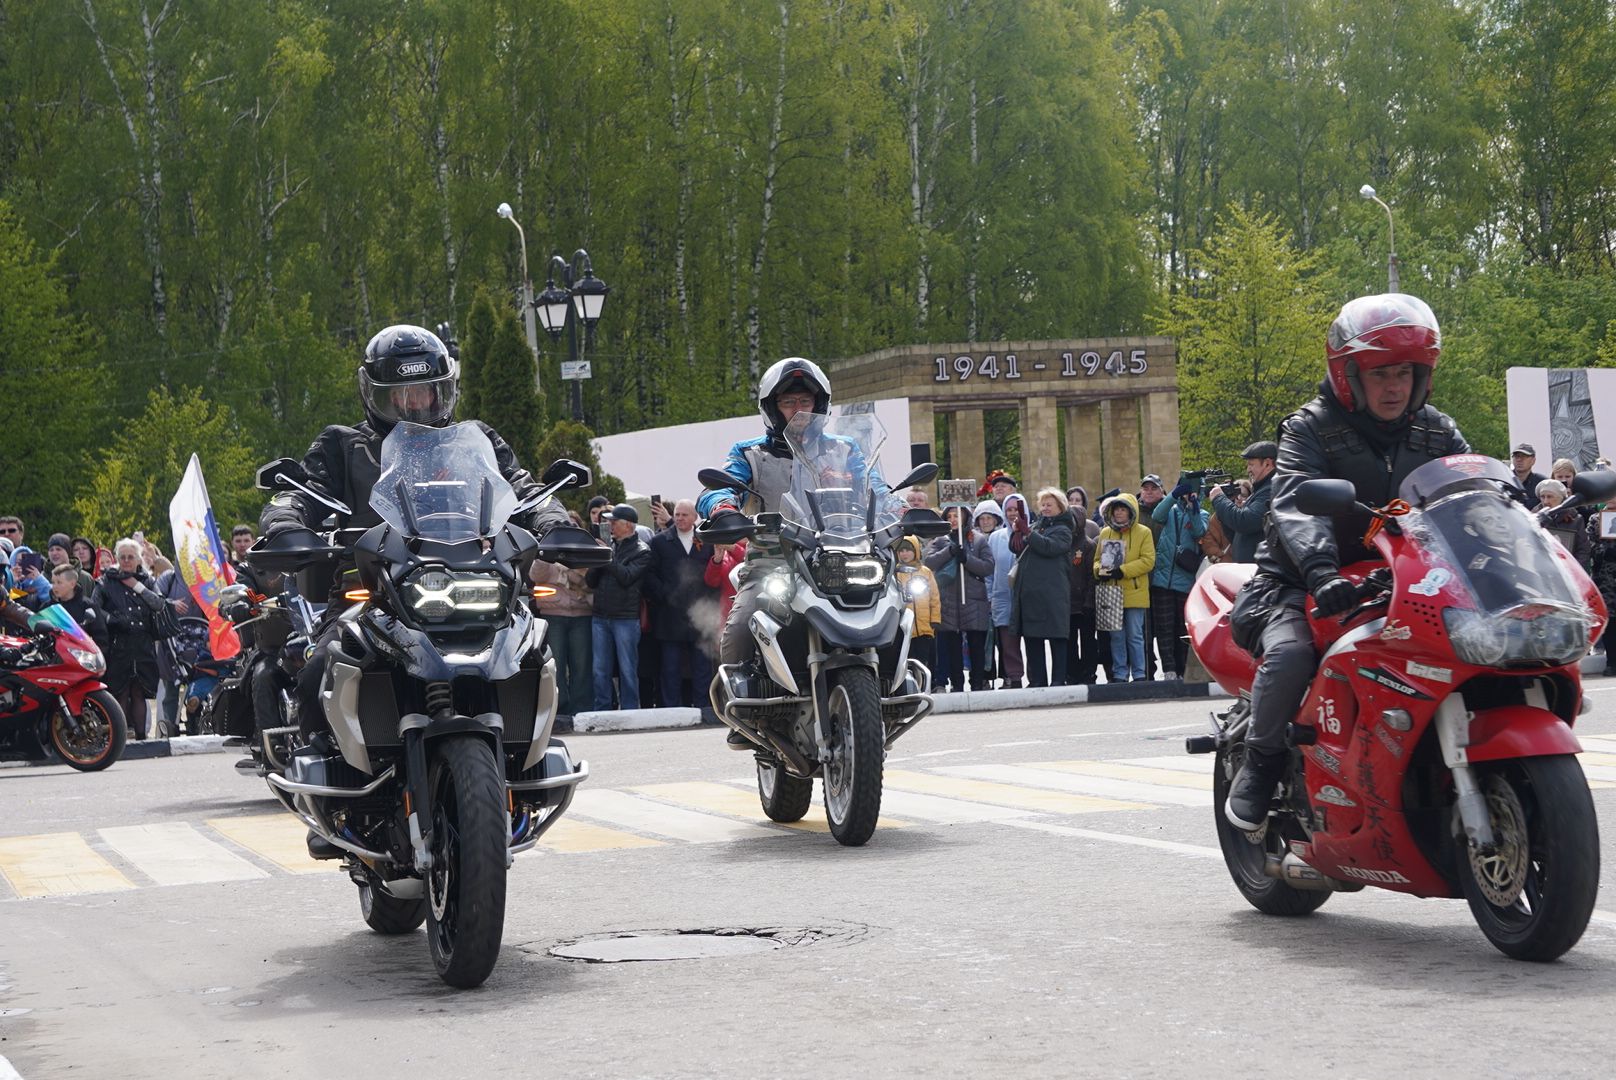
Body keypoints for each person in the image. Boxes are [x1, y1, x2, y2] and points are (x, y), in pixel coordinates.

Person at [1224, 292, 1470, 832]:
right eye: (1380, 373)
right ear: (1348, 375)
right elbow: (1294, 504)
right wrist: (1322, 571)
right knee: (1290, 655)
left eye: (1405, 372)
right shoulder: (1308, 429)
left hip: (1407, 577)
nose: (1394, 386)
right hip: (1299, 577)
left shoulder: (1438, 430)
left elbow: (1473, 497)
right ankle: (1260, 764)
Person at [259, 324, 568, 747]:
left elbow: (523, 488)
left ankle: (527, 752)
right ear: (374, 395)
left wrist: (555, 520)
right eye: (401, 395)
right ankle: (327, 771)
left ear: (445, 391)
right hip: (370, 594)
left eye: (427, 391)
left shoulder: (474, 443)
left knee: (532, 652)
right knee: (318, 673)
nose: (416, 404)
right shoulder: (343, 445)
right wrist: (287, 526)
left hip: (471, 584)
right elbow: (299, 495)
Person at [697, 358, 889, 741]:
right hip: (774, 557)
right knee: (740, 625)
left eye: (804, 400)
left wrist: (899, 511)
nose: (798, 410)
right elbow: (719, 487)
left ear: (820, 405)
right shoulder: (750, 452)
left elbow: (877, 489)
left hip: (839, 554)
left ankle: (892, 684)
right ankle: (744, 707)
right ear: (772, 408)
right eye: (788, 402)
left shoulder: (843, 449)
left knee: (894, 603)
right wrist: (722, 508)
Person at [92, 538, 172, 741]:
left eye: (131, 557)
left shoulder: (147, 580)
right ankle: (119, 738)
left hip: (142, 643)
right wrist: (112, 619)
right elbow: (94, 608)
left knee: (139, 692)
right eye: (123, 557)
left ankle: (141, 736)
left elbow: (159, 605)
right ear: (117, 559)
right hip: (118, 643)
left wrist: (136, 586)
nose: (126, 561)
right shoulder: (105, 580)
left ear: (138, 559)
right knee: (120, 691)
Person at [643, 499, 717, 711]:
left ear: (695, 517)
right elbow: (650, 574)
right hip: (670, 615)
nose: (680, 518)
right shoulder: (659, 542)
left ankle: (703, 706)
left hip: (701, 614)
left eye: (685, 515)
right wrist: (664, 594)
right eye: (677, 514)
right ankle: (671, 708)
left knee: (702, 666)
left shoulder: (707, 541)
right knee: (670, 666)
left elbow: (715, 572)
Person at [586, 504, 651, 711]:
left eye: (614, 522)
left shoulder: (642, 551)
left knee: (627, 669)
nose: (610, 525)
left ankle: (631, 709)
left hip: (625, 618)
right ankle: (602, 708)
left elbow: (626, 577)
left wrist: (606, 555)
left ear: (629, 525)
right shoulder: (609, 546)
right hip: (600, 616)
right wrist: (598, 556)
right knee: (599, 669)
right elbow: (590, 581)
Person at [925, 504, 995, 692]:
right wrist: (949, 552)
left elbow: (988, 567)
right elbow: (928, 562)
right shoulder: (940, 541)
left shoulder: (978, 540)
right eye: (950, 516)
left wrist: (967, 559)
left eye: (957, 515)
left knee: (976, 644)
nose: (953, 519)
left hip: (973, 600)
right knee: (952, 646)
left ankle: (977, 682)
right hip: (949, 600)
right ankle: (957, 684)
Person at [1012, 489, 1075, 687]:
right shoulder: (1037, 526)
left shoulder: (1064, 529)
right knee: (1032, 639)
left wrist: (1028, 533)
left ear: (1060, 507)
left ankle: (1058, 679)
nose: (1045, 508)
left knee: (1057, 639)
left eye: (1050, 505)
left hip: (1053, 594)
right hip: (1031, 594)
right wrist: (1018, 532)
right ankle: (1038, 680)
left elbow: (1050, 547)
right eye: (1043, 505)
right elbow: (1017, 547)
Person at [1150, 477, 1210, 679]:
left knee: (1181, 627)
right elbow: (1157, 515)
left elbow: (1199, 531)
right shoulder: (1171, 511)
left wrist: (1193, 505)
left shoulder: (1201, 513)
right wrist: (1174, 495)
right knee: (1164, 626)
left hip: (1185, 579)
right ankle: (1169, 669)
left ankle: (1183, 669)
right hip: (1162, 579)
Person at [1094, 493, 1155, 682]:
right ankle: (1120, 673)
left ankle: (1139, 673)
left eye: (1123, 509)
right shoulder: (1105, 532)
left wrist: (1123, 571)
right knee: (1116, 636)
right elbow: (1097, 560)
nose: (1119, 513)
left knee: (1135, 635)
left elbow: (1148, 561)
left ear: (1131, 512)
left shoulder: (1144, 532)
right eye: (1116, 509)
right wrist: (1100, 571)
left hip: (1135, 591)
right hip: (1111, 591)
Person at [1208, 441, 1276, 563]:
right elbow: (1236, 533)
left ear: (1267, 464)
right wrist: (1229, 507)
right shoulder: (1261, 490)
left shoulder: (1271, 490)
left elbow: (1245, 521)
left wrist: (1219, 499)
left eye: (1251, 464)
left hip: (1258, 571)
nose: (1248, 470)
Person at [988, 493, 1030, 688]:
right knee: (1008, 641)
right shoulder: (996, 537)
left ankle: (1037, 676)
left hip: (1028, 595)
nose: (1013, 513)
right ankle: (1014, 677)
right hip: (1003, 595)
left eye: (1017, 509)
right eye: (1009, 510)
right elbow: (990, 569)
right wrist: (990, 594)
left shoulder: (1033, 533)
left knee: (1031, 638)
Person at [1063, 486, 1100, 684]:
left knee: (1087, 641)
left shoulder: (1088, 545)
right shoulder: (1062, 544)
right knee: (1069, 642)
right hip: (1067, 604)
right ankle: (1072, 673)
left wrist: (1089, 601)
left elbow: (1092, 576)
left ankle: (1088, 672)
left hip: (1085, 605)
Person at [894, 537, 940, 675]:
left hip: (925, 627)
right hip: (905, 628)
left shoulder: (925, 572)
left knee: (925, 658)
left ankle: (929, 683)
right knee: (908, 659)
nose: (904, 554)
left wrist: (935, 619)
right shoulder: (896, 573)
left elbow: (934, 597)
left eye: (908, 550)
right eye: (901, 550)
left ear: (916, 551)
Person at [1536, 479, 1591, 569]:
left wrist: (1574, 572)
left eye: (1550, 497)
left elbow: (1583, 551)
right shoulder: (1533, 518)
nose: (1545, 501)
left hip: (1567, 572)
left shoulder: (1575, 519)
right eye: (1542, 497)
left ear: (1561, 498)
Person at [1509, 443, 1546, 510]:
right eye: (1516, 456)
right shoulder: (1504, 480)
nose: (1519, 460)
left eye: (1524, 456)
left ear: (1533, 460)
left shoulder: (1542, 483)